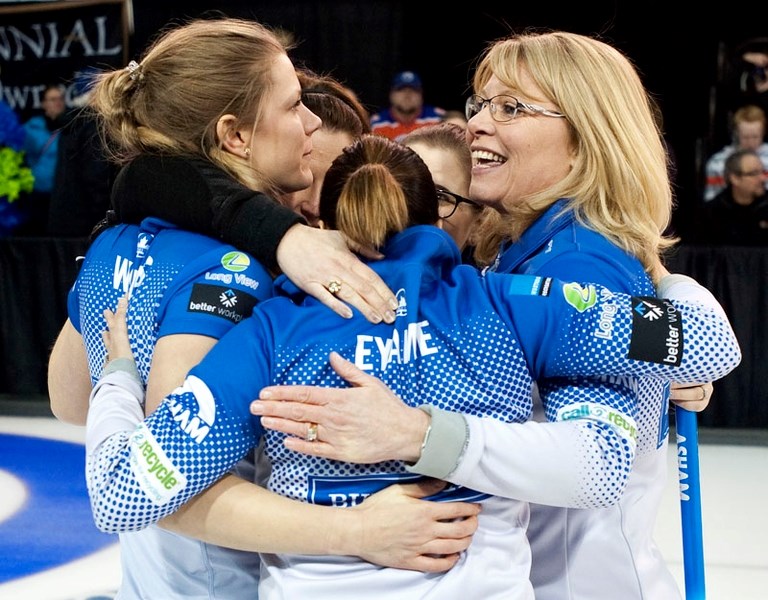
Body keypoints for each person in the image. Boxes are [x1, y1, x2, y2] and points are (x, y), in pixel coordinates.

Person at [85, 134, 739, 599]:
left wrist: (117, 379)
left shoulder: (268, 335)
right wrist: (656, 281)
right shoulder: (509, 306)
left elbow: (121, 494)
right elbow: (711, 345)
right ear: (438, 216)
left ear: (326, 220)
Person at [250, 31, 738, 600]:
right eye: (480, 103)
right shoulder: (522, 251)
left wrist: (416, 433)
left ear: (585, 141)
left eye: (511, 108)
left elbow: (596, 462)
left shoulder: (578, 263)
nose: (477, 123)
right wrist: (672, 304)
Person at [47, 18, 477, 599]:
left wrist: (119, 380)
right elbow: (164, 490)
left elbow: (69, 402)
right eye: (294, 107)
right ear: (235, 136)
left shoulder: (121, 237)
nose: (309, 123)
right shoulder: (232, 270)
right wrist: (357, 530)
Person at [47, 71, 118, 236]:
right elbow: (95, 177)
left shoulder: (70, 124)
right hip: (86, 223)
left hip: (65, 218)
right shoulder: (93, 126)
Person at [401, 122, 485, 260]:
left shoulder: (496, 281)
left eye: (438, 196)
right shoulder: (353, 270)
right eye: (401, 189)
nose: (411, 206)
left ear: (479, 226)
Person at [18, 83, 66, 234]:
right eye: (52, 99)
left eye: (60, 98)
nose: (57, 102)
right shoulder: (31, 129)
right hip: (37, 193)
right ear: (43, 104)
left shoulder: (70, 128)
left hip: (61, 194)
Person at [700, 148, 768, 244]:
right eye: (754, 173)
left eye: (762, 172)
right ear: (735, 178)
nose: (763, 178)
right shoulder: (712, 213)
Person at [703, 104, 768, 201]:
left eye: (755, 137)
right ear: (736, 135)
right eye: (745, 137)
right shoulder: (717, 163)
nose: (750, 142)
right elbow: (711, 199)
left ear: (763, 133)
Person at [369, 71, 445, 141]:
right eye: (401, 90)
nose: (407, 95)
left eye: (413, 90)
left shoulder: (438, 119)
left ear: (421, 95)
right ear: (391, 95)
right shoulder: (376, 124)